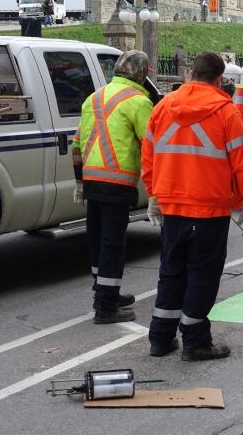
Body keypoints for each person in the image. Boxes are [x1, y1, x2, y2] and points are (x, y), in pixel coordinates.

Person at [142, 51, 243, 361]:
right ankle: (195, 342)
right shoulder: (226, 112)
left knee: (171, 272)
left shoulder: (163, 107)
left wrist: (153, 193)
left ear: (191, 73)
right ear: (220, 79)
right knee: (202, 276)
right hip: (209, 208)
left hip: (172, 206)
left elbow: (149, 153)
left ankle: (160, 338)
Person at [71, 50, 154, 324]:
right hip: (117, 182)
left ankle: (105, 293)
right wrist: (156, 191)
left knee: (97, 241)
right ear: (141, 74)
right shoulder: (139, 101)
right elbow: (152, 147)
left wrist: (79, 181)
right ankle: (106, 308)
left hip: (93, 181)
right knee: (113, 244)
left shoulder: (93, 98)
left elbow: (75, 145)